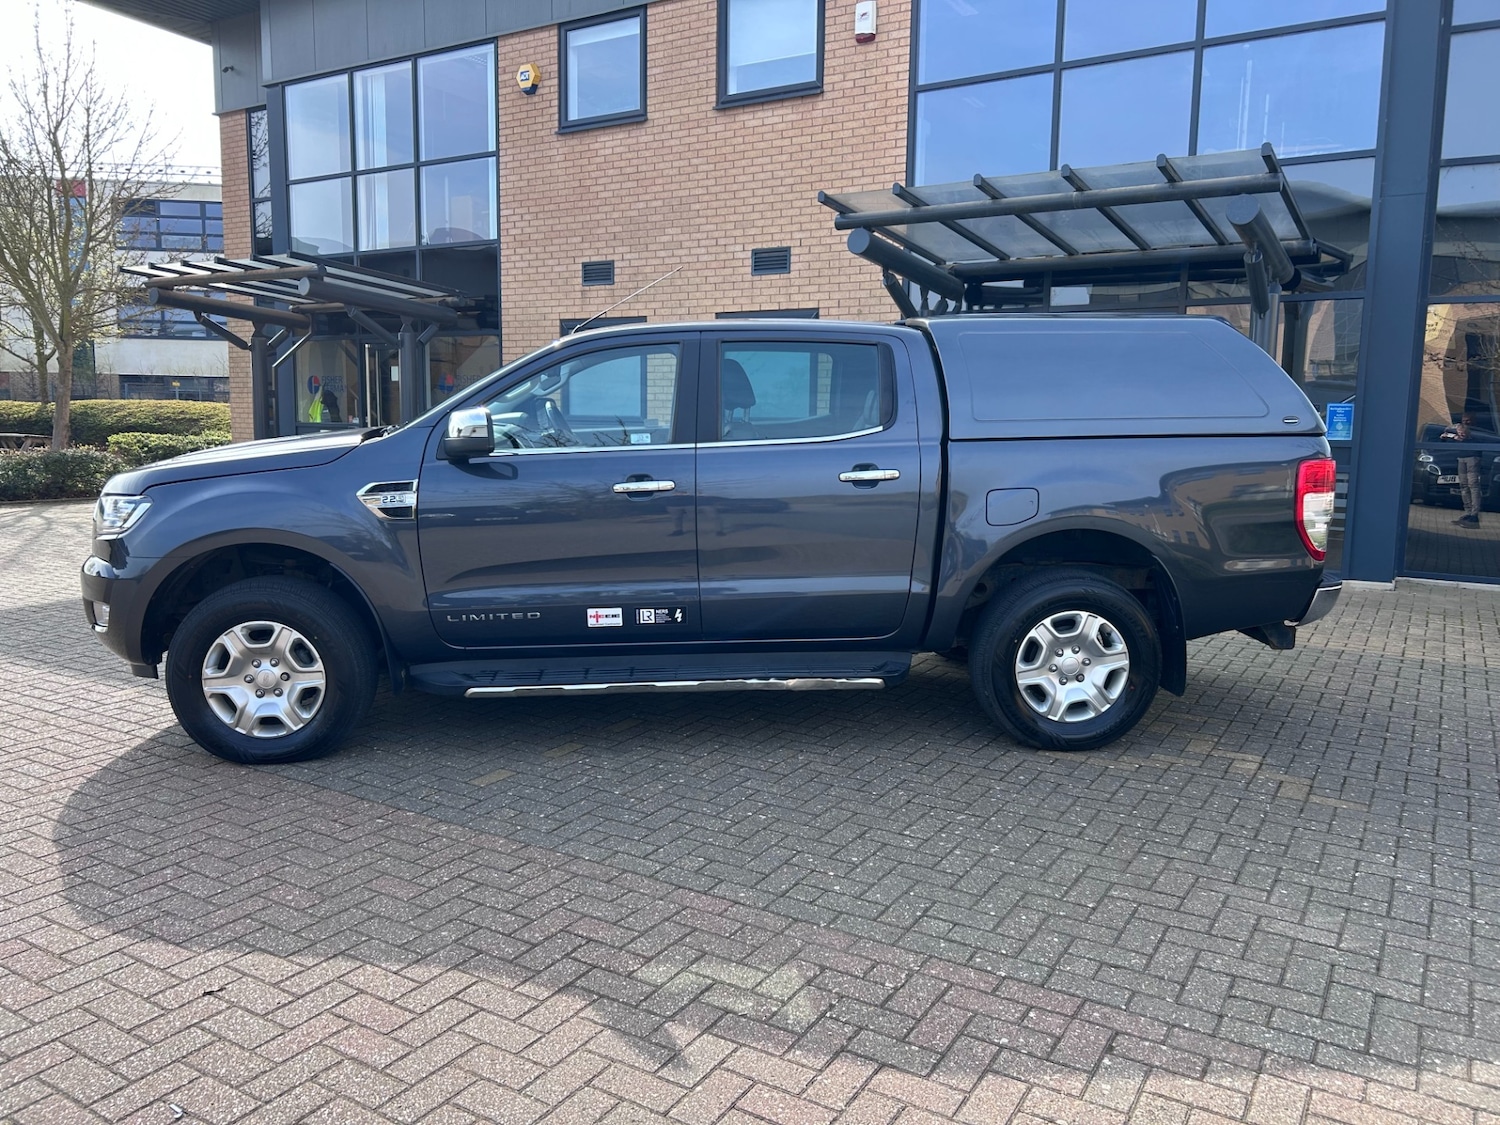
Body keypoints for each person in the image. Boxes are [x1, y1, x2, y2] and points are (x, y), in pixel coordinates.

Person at [1440, 413, 1481, 527]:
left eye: (1468, 420)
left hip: (1472, 457)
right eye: (1464, 420)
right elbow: (1447, 432)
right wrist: (1448, 435)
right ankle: (1468, 512)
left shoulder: (1476, 430)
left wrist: (1458, 436)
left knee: (1473, 485)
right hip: (1461, 458)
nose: (1466, 422)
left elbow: (1466, 438)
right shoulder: (1458, 428)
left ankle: (1474, 514)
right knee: (1464, 485)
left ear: (1473, 420)